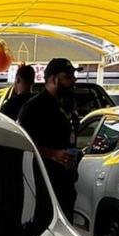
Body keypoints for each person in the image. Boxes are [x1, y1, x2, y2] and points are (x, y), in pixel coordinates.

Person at [18, 57, 80, 220]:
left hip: (65, 183)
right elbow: (23, 144)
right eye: (68, 77)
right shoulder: (34, 108)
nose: (73, 81)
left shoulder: (67, 105)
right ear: (53, 79)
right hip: (42, 185)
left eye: (73, 76)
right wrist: (53, 154)